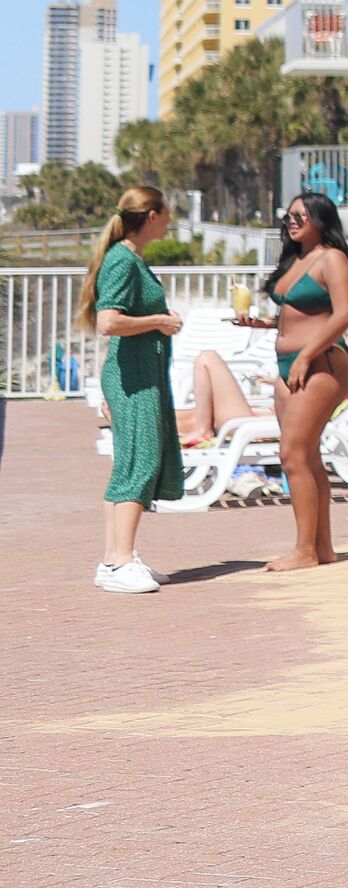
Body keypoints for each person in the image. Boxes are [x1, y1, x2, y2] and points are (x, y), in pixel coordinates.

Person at [240, 190, 348, 571]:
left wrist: (307, 356)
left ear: (319, 219)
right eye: (288, 216)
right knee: (307, 455)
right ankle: (321, 548)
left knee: (291, 455)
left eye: (299, 216)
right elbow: (301, 315)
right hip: (287, 363)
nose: (291, 221)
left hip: (320, 363)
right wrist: (266, 324)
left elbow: (343, 315)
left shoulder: (331, 258)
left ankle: (304, 551)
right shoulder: (297, 259)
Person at [84, 187, 183, 594]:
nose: (172, 221)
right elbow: (108, 321)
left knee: (128, 463)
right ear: (154, 215)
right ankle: (120, 560)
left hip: (139, 375)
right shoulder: (123, 260)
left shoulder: (128, 258)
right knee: (138, 465)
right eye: (168, 214)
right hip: (134, 378)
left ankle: (114, 558)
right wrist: (160, 320)